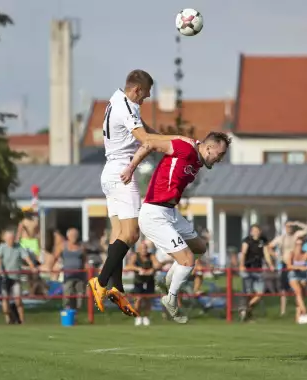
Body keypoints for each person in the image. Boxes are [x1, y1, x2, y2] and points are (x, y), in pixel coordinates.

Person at [88, 69, 194, 317]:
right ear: (136, 90)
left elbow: (148, 131)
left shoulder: (117, 100)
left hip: (109, 172)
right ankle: (101, 282)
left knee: (119, 234)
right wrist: (176, 143)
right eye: (145, 96)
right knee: (132, 233)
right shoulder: (127, 107)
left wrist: (171, 136)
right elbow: (146, 140)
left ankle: (117, 288)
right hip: (122, 172)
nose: (145, 100)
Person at [126, 131, 231, 323]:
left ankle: (168, 280)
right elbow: (149, 142)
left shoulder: (198, 158)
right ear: (209, 148)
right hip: (154, 214)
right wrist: (131, 168)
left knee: (199, 247)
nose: (220, 159)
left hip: (171, 212)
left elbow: (194, 144)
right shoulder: (184, 148)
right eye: (220, 154)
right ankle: (171, 299)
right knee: (188, 260)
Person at [268, 221, 307, 316]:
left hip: (297, 262)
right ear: (285, 227)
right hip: (285, 263)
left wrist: (297, 223)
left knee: (300, 288)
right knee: (284, 288)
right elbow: (269, 246)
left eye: (291, 226)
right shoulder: (281, 238)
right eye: (288, 226)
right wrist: (276, 256)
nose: (290, 228)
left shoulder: (296, 235)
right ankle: (283, 310)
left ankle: (299, 309)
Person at [0, 230, 38, 324]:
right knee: (5, 300)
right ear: (5, 239)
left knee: (18, 300)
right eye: (9, 238)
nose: (12, 240)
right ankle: (8, 319)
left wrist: (32, 267)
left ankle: (22, 321)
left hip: (16, 277)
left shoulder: (19, 247)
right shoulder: (2, 247)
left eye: (13, 238)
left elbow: (27, 258)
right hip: (5, 277)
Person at [239, 224, 275, 321]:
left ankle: (246, 308)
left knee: (260, 293)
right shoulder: (247, 240)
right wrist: (242, 265)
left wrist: (270, 264)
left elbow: (266, 254)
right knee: (248, 292)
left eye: (258, 230)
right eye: (254, 230)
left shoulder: (263, 240)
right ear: (251, 232)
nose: (256, 232)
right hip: (248, 269)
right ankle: (247, 314)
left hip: (258, 269)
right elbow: (243, 253)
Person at [125, 240, 160, 326]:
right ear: (139, 249)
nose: (144, 250)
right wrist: (138, 269)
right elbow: (128, 266)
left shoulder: (151, 256)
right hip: (139, 281)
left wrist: (153, 269)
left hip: (149, 281)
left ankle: (146, 317)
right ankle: (138, 317)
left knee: (148, 300)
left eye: (145, 248)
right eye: (142, 248)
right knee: (138, 300)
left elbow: (158, 265)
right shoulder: (135, 256)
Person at [285, 238, 307, 324]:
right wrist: (299, 267)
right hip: (293, 275)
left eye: (301, 244)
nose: (299, 246)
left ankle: (298, 318)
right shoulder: (291, 253)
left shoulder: (306, 254)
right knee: (298, 292)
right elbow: (288, 266)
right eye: (297, 244)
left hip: (303, 276)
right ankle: (305, 312)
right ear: (295, 245)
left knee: (300, 296)